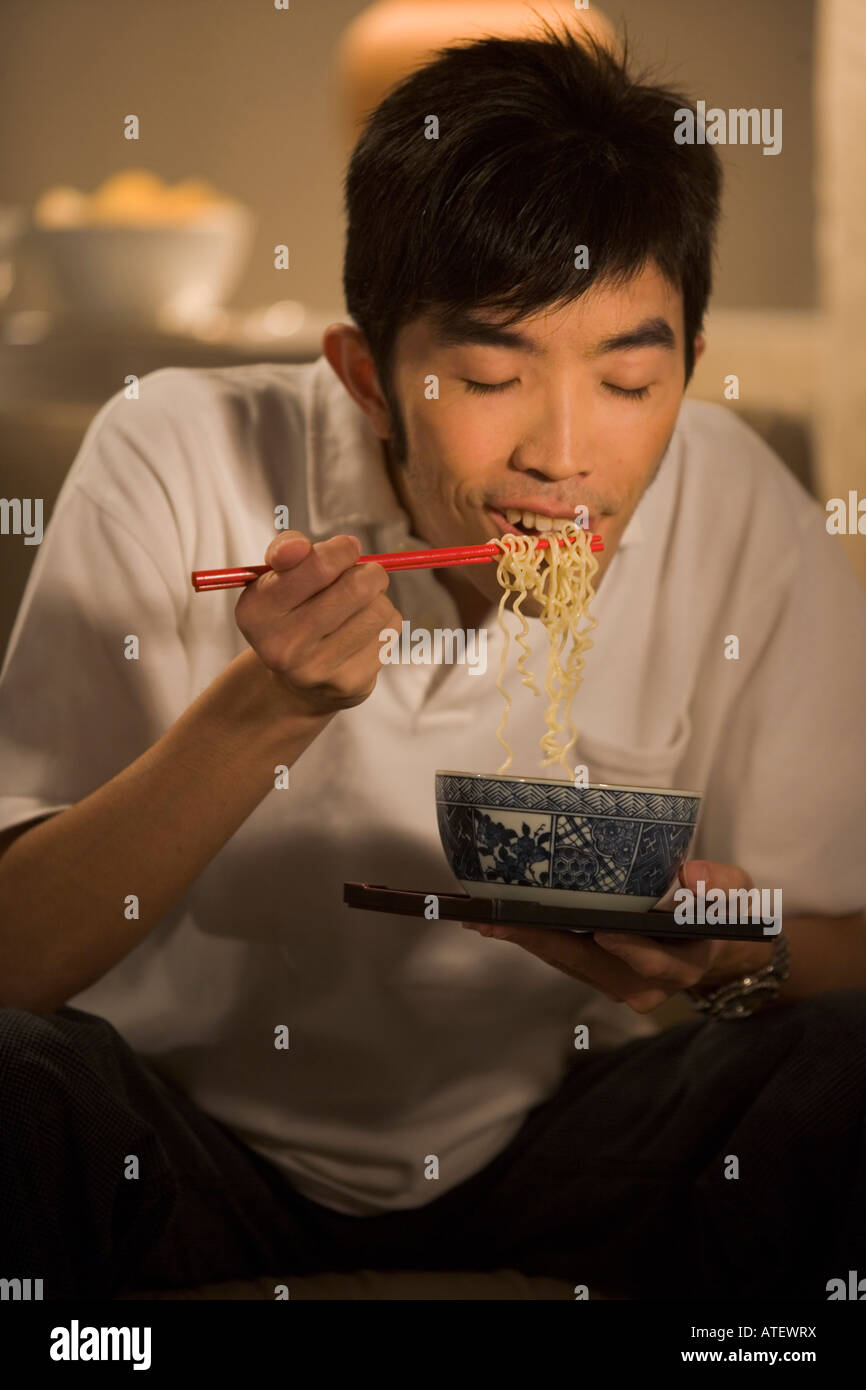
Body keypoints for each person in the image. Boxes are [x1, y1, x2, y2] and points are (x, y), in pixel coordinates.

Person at [0, 24, 864, 1302]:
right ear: (364, 375)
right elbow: (14, 965)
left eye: (631, 381)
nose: (566, 457)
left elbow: (842, 945)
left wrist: (733, 949)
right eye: (485, 375)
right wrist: (263, 712)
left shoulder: (728, 491)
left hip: (555, 1141)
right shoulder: (175, 448)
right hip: (180, 1141)